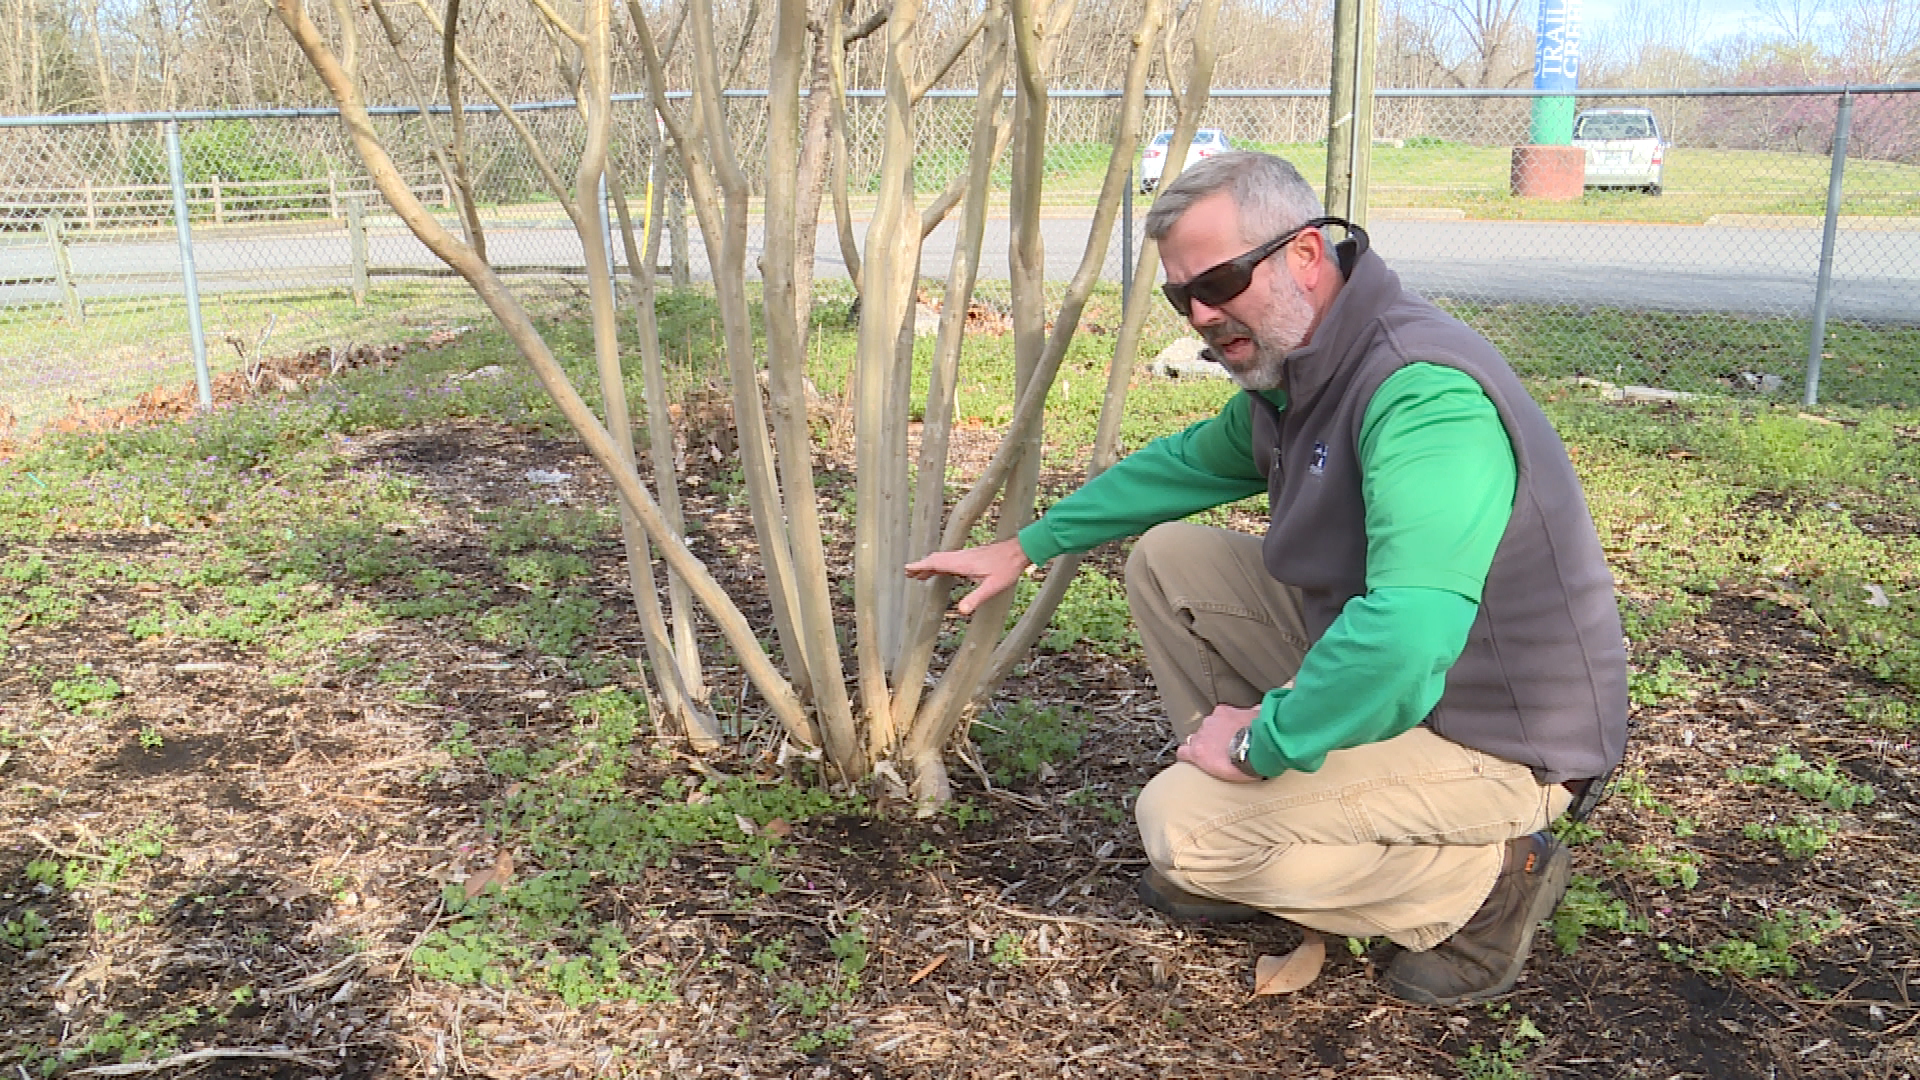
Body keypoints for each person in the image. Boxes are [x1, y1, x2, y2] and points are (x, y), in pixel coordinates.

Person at [904, 151, 1628, 1006]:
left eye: (1220, 280)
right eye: (1183, 296)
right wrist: (1026, 544)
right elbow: (1185, 465)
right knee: (1172, 562)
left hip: (1504, 739)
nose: (1203, 313)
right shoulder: (1305, 367)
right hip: (1421, 687)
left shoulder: (1423, 395)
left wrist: (1262, 743)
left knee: (1180, 832)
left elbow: (1406, 635)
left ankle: (1487, 881)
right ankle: (1273, 817)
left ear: (1307, 254)